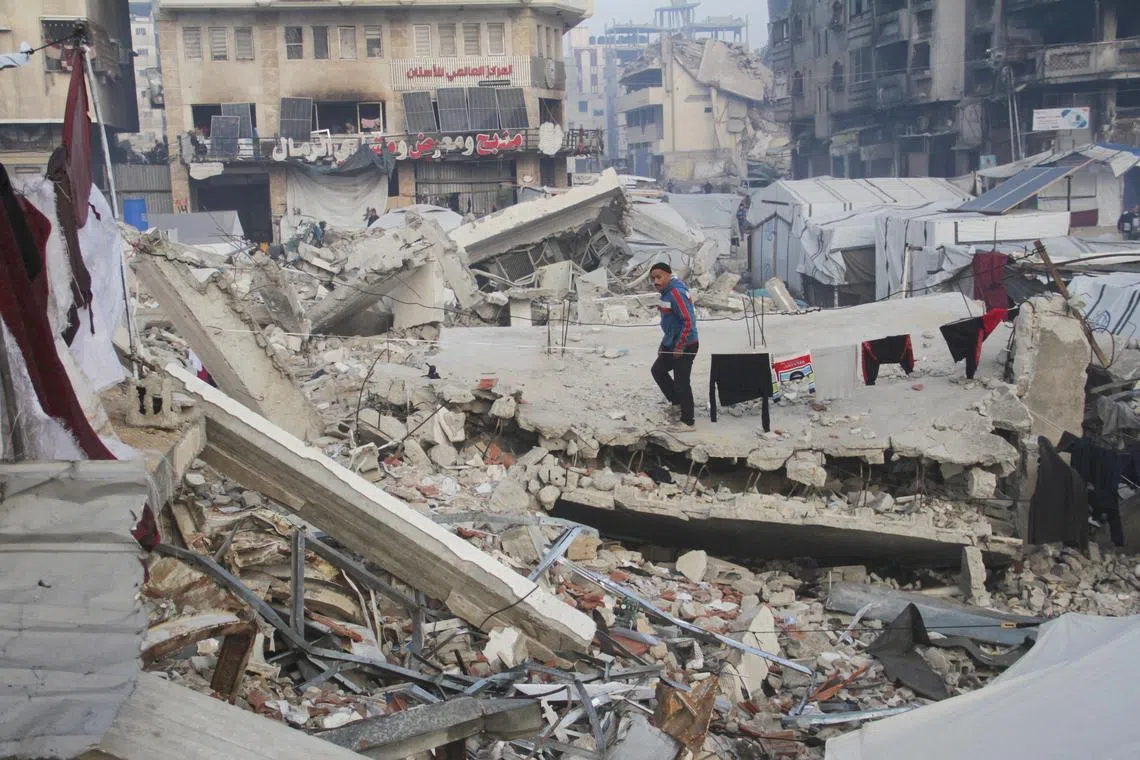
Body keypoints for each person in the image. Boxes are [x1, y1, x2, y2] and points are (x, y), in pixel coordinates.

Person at [650, 262, 699, 430]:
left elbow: (688, 322)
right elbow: (671, 324)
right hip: (671, 342)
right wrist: (664, 345)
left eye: (659, 277)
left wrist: (680, 346)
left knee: (682, 382)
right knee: (658, 370)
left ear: (668, 275)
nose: (656, 281)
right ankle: (677, 402)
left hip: (686, 344)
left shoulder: (676, 293)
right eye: (653, 278)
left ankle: (688, 421)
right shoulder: (666, 293)